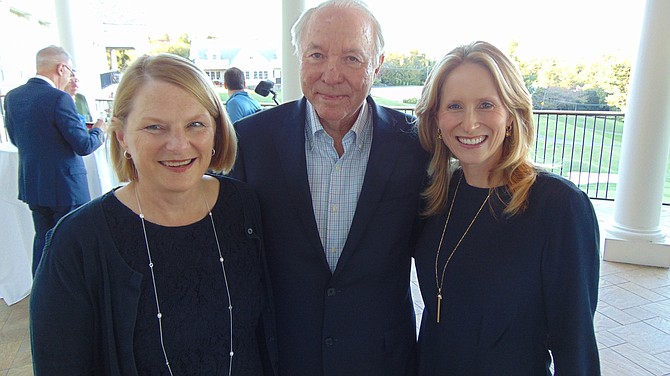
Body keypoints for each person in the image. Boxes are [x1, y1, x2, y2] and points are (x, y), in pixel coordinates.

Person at [30, 53, 278, 376]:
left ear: (215, 130)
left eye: (195, 124)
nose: (178, 144)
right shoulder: (76, 244)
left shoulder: (243, 207)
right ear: (122, 137)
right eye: (154, 127)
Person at [230, 1, 429, 375]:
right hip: (285, 357)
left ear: (378, 65)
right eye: (316, 55)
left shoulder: (415, 145)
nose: (331, 75)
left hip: (382, 359)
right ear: (299, 58)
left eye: (353, 58)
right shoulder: (252, 140)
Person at [413, 41, 601, 374]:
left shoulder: (558, 207)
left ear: (511, 115)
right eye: (454, 106)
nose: (469, 124)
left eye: (486, 104)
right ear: (437, 118)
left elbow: (576, 344)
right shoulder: (436, 196)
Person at [3, 45, 105, 275]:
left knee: (43, 242)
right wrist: (99, 130)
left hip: (33, 185)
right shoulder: (58, 99)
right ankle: (70, 299)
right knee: (72, 243)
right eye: (71, 71)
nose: (71, 76)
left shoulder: (12, 97)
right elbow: (84, 145)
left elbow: (15, 140)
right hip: (65, 187)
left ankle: (42, 293)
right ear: (61, 68)